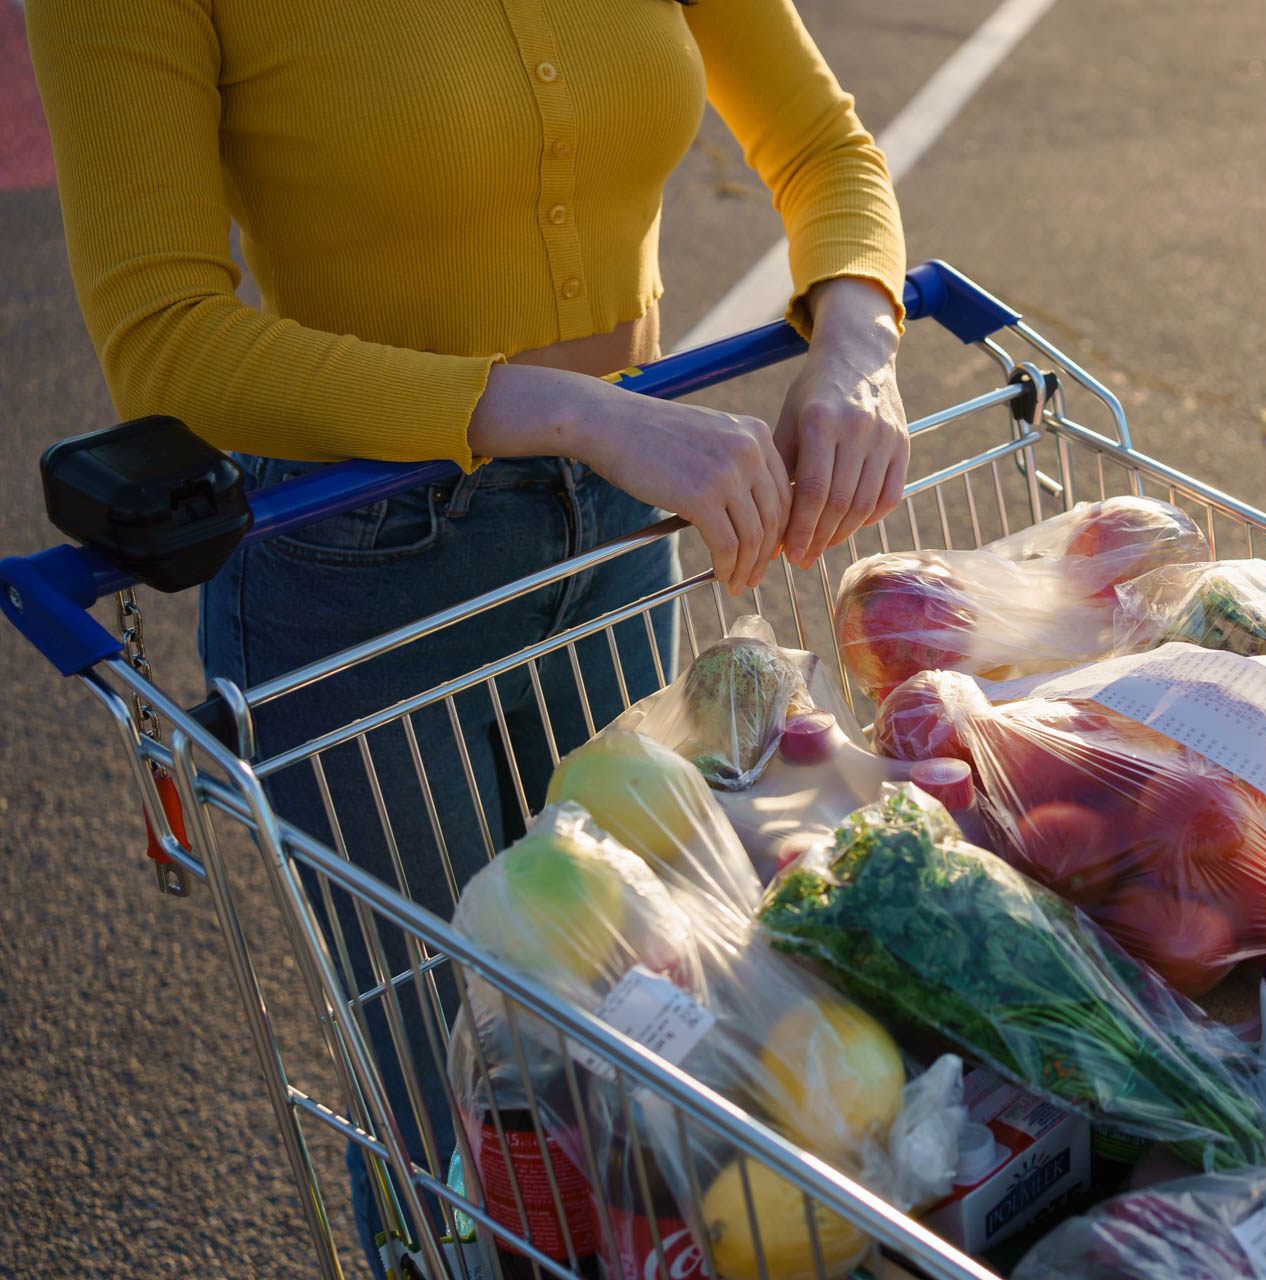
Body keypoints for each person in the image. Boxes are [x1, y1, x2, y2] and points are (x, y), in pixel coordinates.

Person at [27, 0, 909, 1273]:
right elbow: (162, 341)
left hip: (617, 520)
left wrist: (856, 347)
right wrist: (573, 413)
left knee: (662, 1025)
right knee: (462, 1114)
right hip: (362, 568)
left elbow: (826, 148)